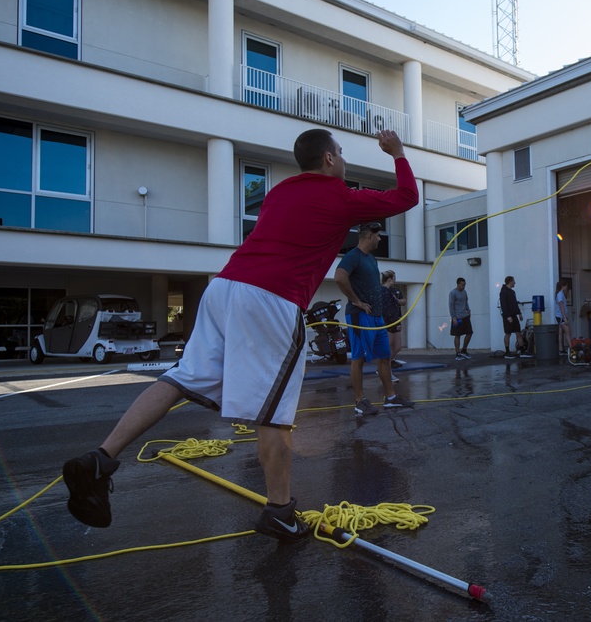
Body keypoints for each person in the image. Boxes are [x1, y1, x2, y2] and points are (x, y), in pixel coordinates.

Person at [60, 129, 418, 543]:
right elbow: (406, 197)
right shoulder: (339, 196)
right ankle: (280, 512)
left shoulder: (279, 192)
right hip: (271, 300)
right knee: (274, 411)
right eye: (340, 153)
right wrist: (398, 153)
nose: (344, 160)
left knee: (181, 378)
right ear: (327, 160)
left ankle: (101, 458)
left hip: (224, 287)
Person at [336, 225, 414, 414]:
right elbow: (339, 277)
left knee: (384, 357)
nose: (380, 239)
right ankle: (360, 401)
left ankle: (391, 397)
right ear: (369, 236)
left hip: (377, 318)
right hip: (359, 316)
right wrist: (357, 302)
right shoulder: (353, 256)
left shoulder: (372, 259)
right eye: (378, 236)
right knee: (359, 358)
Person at [380, 270, 407, 367]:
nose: (395, 280)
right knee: (388, 346)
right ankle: (384, 368)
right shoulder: (382, 291)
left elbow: (402, 301)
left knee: (397, 346)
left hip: (396, 319)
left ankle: (387, 365)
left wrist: (397, 300)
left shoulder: (395, 290)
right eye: (394, 278)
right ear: (390, 279)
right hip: (387, 321)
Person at [499, 276, 530, 358]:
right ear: (510, 282)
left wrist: (519, 313)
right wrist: (508, 316)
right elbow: (503, 305)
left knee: (518, 333)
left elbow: (514, 304)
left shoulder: (512, 292)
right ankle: (507, 352)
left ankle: (522, 350)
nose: (515, 283)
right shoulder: (503, 292)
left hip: (514, 315)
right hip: (507, 316)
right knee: (508, 333)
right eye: (513, 281)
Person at [449, 277, 473, 361]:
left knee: (469, 333)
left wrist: (468, 310)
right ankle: (457, 353)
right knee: (457, 335)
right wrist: (453, 317)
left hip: (465, 316)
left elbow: (466, 302)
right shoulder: (453, 293)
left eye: (464, 285)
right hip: (458, 317)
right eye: (462, 285)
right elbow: (451, 306)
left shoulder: (464, 292)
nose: (464, 286)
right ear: (458, 284)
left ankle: (464, 350)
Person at [556, 281, 572, 354]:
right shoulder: (560, 294)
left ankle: (560, 349)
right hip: (561, 316)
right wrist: (565, 318)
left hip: (560, 316)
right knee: (568, 332)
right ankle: (572, 348)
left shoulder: (561, 294)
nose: (567, 287)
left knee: (560, 332)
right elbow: (561, 306)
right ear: (563, 286)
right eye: (566, 286)